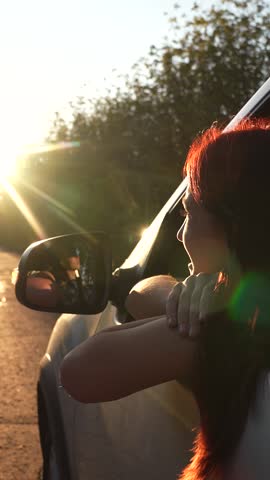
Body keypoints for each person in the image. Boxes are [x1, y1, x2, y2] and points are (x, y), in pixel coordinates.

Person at [60, 118, 270, 479]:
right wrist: (189, 293)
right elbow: (143, 293)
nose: (180, 235)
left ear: (232, 226)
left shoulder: (230, 337)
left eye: (188, 213)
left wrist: (210, 312)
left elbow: (79, 371)